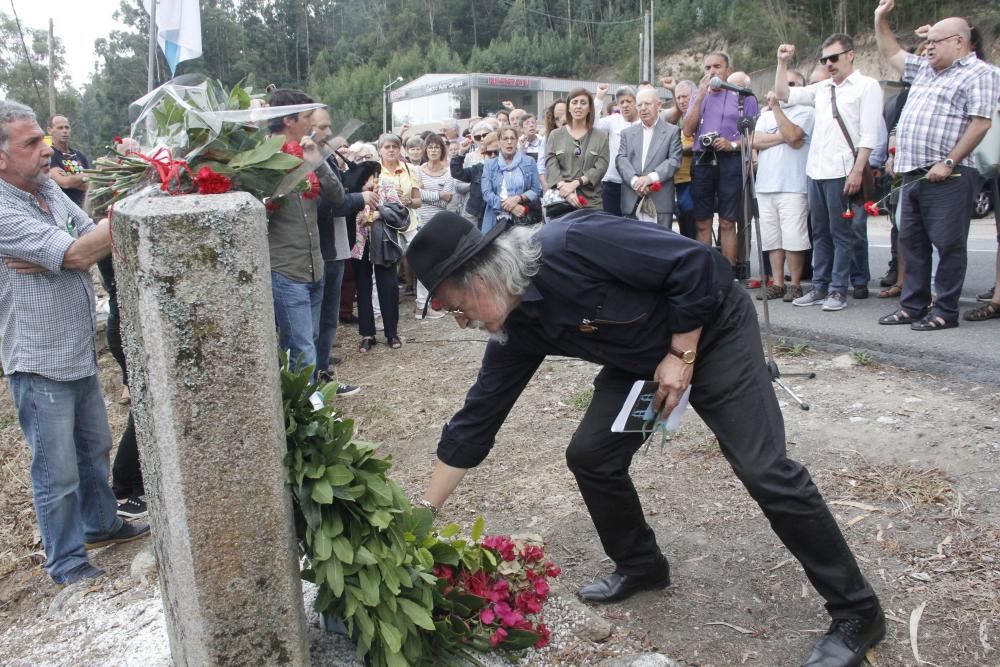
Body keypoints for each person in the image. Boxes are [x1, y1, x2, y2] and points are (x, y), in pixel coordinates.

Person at [406, 209, 885, 667]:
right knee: (592, 456)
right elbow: (478, 418)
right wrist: (425, 515)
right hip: (641, 363)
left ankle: (857, 612)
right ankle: (642, 565)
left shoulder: (571, 244)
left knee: (764, 470)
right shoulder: (518, 324)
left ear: (483, 278)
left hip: (713, 334)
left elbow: (700, 265)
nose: (462, 321)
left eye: (456, 306)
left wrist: (681, 352)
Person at [0, 100, 150, 585]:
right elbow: (78, 251)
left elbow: (88, 238)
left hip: (76, 346)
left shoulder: (47, 189)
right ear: (1, 157)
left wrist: (76, 248)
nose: (45, 150)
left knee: (94, 447)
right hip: (38, 354)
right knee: (55, 469)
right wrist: (128, 206)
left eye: (43, 139)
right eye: (30, 143)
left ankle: (101, 523)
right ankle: (66, 561)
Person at [874, 1, 999, 331]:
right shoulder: (925, 70)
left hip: (951, 173)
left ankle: (944, 310)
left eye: (935, 41)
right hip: (914, 172)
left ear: (959, 41)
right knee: (911, 244)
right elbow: (891, 54)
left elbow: (980, 123)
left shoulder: (981, 73)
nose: (928, 47)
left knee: (948, 244)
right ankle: (913, 306)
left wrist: (948, 161)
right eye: (927, 42)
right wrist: (880, 18)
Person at [776, 37, 883, 312]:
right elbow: (783, 94)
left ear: (851, 55)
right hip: (817, 170)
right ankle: (820, 286)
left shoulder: (867, 86)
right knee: (820, 233)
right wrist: (782, 62)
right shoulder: (822, 88)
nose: (829, 64)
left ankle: (838, 289)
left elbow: (869, 135)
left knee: (842, 233)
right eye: (825, 59)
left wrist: (858, 170)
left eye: (834, 58)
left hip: (843, 169)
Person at [265, 89, 345, 374]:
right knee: (301, 347)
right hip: (286, 271)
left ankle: (296, 407)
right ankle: (309, 412)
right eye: (307, 116)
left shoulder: (309, 151)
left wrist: (318, 164)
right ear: (288, 120)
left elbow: (338, 198)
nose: (312, 122)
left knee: (303, 342)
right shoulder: (264, 160)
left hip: (315, 266)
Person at [683, 52, 759, 266]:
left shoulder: (745, 97)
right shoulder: (699, 95)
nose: (712, 71)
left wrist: (731, 143)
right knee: (702, 222)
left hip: (730, 159)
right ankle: (705, 273)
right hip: (703, 159)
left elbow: (755, 137)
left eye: (717, 66)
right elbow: (688, 130)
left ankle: (728, 274)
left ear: (728, 70)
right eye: (707, 68)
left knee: (727, 221)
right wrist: (699, 96)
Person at [311, 108, 364, 395]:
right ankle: (312, 381)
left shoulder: (325, 156)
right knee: (316, 322)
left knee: (328, 319)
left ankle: (322, 372)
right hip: (322, 246)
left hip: (336, 242)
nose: (328, 133)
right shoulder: (305, 161)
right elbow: (327, 203)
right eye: (322, 127)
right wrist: (360, 197)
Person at [751, 73, 815, 302]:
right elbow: (754, 140)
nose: (784, 89)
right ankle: (777, 283)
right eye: (782, 84)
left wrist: (777, 111)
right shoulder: (763, 116)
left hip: (793, 185)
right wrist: (784, 137)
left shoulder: (807, 112)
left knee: (794, 237)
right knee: (772, 239)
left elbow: (795, 136)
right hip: (766, 184)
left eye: (792, 85)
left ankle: (795, 284)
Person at [348, 160, 408, 351]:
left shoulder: (386, 186)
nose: (372, 179)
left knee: (388, 287)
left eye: (374, 174)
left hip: (383, 244)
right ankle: (367, 334)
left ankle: (392, 333)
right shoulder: (351, 191)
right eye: (368, 176)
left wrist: (376, 215)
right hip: (358, 245)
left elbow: (400, 213)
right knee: (363, 289)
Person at [616, 88, 682, 226]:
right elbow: (621, 160)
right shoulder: (627, 133)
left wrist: (650, 179)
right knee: (632, 246)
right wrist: (635, 182)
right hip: (632, 201)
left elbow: (674, 161)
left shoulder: (672, 131)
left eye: (647, 104)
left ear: (658, 105)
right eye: (639, 105)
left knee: (662, 246)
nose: (643, 108)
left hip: (660, 201)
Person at [544, 88, 610, 212]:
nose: (578, 106)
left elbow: (601, 167)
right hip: (561, 201)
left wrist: (576, 183)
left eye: (583, 103)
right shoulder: (555, 135)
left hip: (591, 203)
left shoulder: (600, 137)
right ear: (568, 107)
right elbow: (551, 165)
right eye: (574, 102)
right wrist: (565, 190)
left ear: (590, 108)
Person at [416, 133, 454, 318]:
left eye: (436, 147)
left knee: (441, 263)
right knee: (424, 263)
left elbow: (448, 200)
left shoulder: (448, 172)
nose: (433, 150)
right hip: (421, 221)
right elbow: (416, 196)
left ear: (441, 150)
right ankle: (421, 304)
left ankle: (438, 299)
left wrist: (426, 194)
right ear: (426, 150)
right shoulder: (417, 171)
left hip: (441, 223)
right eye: (430, 147)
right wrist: (438, 195)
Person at [481, 126, 542, 233]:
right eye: (505, 139)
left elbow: (536, 190)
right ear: (499, 143)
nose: (509, 142)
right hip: (496, 219)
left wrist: (518, 198)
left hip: (523, 217)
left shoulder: (529, 162)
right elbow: (487, 193)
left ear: (516, 141)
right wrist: (511, 207)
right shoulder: (489, 165)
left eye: (512, 138)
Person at [595, 86, 640, 216]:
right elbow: (593, 125)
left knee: (633, 225)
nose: (625, 105)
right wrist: (599, 98)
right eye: (621, 102)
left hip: (636, 183)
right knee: (610, 223)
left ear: (636, 102)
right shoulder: (613, 120)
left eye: (629, 101)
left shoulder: (644, 123)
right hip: (612, 182)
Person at [451, 131, 499, 228]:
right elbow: (457, 173)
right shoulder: (478, 169)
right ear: (484, 154)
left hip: (496, 215)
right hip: (475, 215)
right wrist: (461, 153)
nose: (493, 155)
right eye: (489, 153)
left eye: (497, 152)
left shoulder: (508, 172)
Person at [47, 114, 90, 209]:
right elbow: (65, 182)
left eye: (67, 127)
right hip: (64, 210)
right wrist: (84, 177)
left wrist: (71, 178)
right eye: (60, 128)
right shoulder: (49, 155)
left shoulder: (80, 155)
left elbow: (90, 185)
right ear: (50, 130)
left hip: (84, 209)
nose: (64, 131)